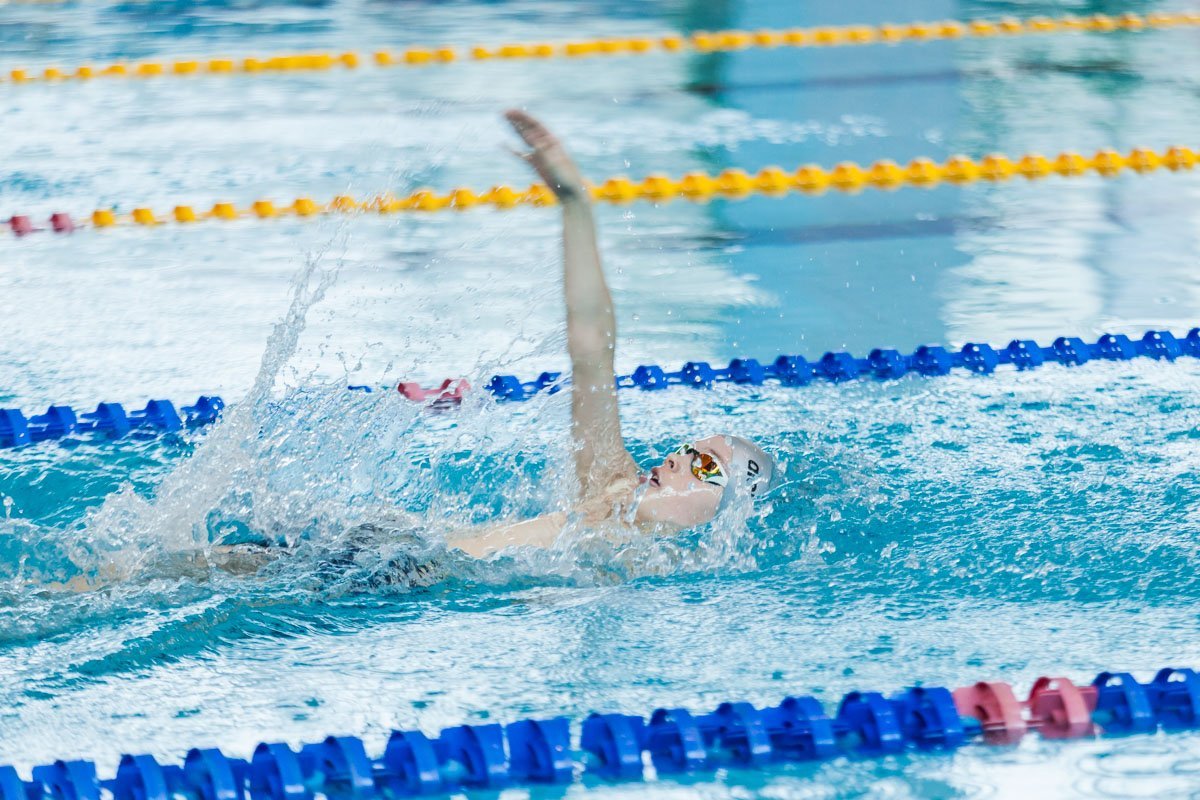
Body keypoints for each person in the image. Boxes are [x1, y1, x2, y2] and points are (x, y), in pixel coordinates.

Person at [443, 111, 777, 559]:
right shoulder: (612, 483)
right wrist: (575, 203)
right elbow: (591, 347)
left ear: (727, 513)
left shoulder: (653, 570)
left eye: (704, 465)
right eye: (686, 450)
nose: (675, 459)